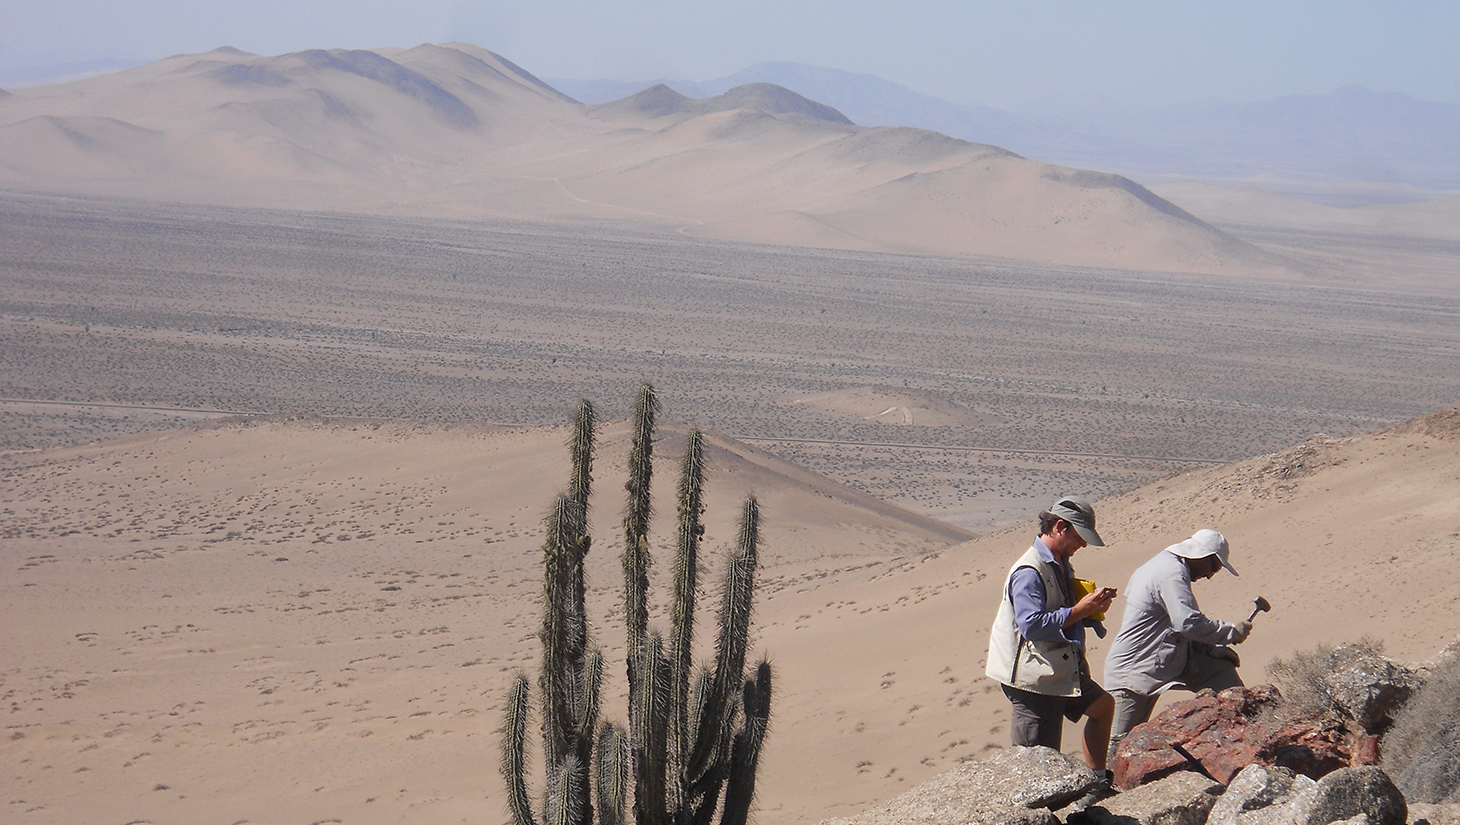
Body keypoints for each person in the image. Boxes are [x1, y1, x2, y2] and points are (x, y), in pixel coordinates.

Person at [987, 496, 1119, 777]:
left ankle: (1096, 782)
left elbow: (1060, 611)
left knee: (1102, 707)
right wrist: (1079, 610)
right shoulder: (1029, 571)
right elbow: (1032, 626)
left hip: (1058, 668)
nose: (1082, 545)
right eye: (1080, 537)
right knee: (1037, 763)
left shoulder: (1060, 562)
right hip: (1033, 680)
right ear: (1060, 526)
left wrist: (1091, 610)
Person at [1102, 529, 1252, 760]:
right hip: (1135, 672)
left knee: (1219, 669)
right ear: (1203, 556)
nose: (1211, 576)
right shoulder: (1171, 572)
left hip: (1164, 660)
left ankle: (1246, 731)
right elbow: (1186, 623)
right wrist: (1228, 632)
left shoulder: (1162, 565)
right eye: (1214, 567)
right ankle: (1101, 790)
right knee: (1119, 746)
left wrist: (1209, 649)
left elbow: (1169, 627)